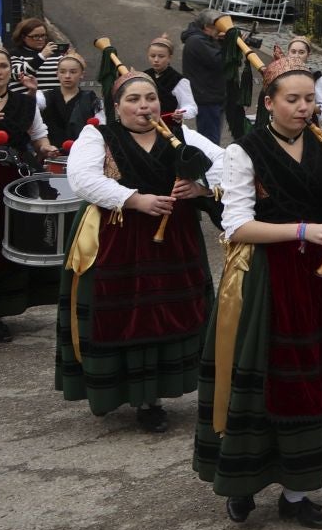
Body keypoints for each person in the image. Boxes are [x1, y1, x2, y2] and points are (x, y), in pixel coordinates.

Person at [195, 56, 322, 529]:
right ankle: (242, 482)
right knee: (271, 383)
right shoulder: (244, 152)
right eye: (291, 99)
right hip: (270, 280)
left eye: (309, 99)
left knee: (318, 380)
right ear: (268, 102)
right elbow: (235, 226)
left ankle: (298, 491)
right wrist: (304, 231)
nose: (303, 108)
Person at [58, 69, 222, 430]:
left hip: (174, 244)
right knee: (122, 315)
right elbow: (82, 179)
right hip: (116, 241)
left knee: (167, 311)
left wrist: (200, 189)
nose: (144, 106)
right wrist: (133, 199)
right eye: (133, 99)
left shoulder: (181, 135)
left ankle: (153, 398)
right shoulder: (98, 135)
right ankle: (112, 391)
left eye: (150, 98)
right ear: (116, 107)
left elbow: (226, 164)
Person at [0, 37, 59, 340]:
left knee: (6, 244)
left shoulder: (25, 102)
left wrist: (47, 149)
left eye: (2, 66)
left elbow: (39, 136)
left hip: (14, 180)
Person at [37, 52, 101, 150]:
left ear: (82, 74)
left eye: (73, 72)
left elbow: (101, 125)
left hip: (82, 153)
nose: (67, 76)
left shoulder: (90, 99)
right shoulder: (43, 97)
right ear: (57, 74)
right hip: (51, 153)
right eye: (62, 72)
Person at [181, 10, 227, 145]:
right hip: (207, 98)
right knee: (209, 141)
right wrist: (230, 46)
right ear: (207, 27)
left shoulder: (204, 39)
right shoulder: (197, 41)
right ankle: (208, 165)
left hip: (212, 95)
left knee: (212, 136)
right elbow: (220, 62)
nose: (220, 31)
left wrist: (222, 42)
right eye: (218, 28)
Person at [144, 35, 196, 124]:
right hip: (144, 126)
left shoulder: (179, 80)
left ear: (169, 57)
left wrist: (181, 113)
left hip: (169, 128)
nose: (156, 60)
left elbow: (191, 107)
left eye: (161, 56)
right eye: (152, 56)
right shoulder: (143, 76)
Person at [7, 17, 60, 94]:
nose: (41, 39)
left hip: (55, 102)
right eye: (35, 36)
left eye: (43, 35)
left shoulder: (56, 54)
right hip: (27, 101)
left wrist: (72, 59)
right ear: (23, 37)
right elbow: (17, 74)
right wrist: (41, 57)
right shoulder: (15, 54)